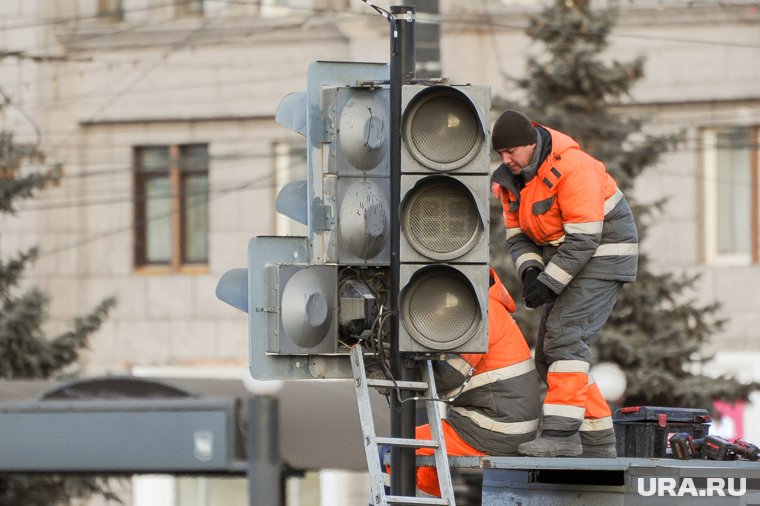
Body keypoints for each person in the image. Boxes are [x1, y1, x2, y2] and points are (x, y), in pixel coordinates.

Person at [490, 110, 638, 458]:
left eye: (512, 152)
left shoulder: (574, 168)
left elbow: (585, 240)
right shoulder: (511, 182)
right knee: (547, 356)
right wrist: (530, 273)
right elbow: (518, 238)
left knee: (566, 341)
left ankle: (561, 435)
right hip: (572, 261)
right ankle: (599, 439)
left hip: (603, 257)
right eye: (500, 154)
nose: (506, 159)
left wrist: (548, 283)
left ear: (531, 143)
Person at [414, 267, 541, 496]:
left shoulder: (479, 314)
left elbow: (449, 378)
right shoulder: (491, 308)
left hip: (494, 430)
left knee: (401, 446)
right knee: (423, 447)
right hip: (506, 426)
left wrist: (402, 371)